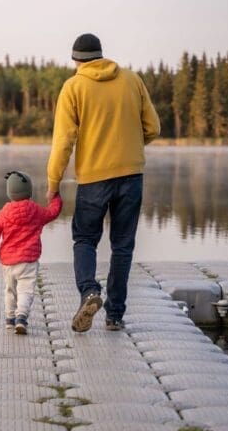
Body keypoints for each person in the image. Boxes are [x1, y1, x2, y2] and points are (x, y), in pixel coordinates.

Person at [47, 33, 160, 333]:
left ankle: (89, 292)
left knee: (84, 239)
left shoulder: (73, 87)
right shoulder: (132, 80)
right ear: (101, 55)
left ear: (76, 60)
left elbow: (63, 142)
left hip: (94, 179)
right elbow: (153, 127)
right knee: (123, 246)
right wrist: (132, 147)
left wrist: (53, 181)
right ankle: (115, 316)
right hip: (131, 176)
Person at [0, 170, 62, 334]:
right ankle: (21, 317)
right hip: (29, 261)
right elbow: (52, 213)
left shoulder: (4, 213)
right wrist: (56, 197)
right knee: (26, 290)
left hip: (8, 262)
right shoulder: (35, 210)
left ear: (9, 193)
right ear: (29, 191)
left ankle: (10, 319)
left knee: (10, 290)